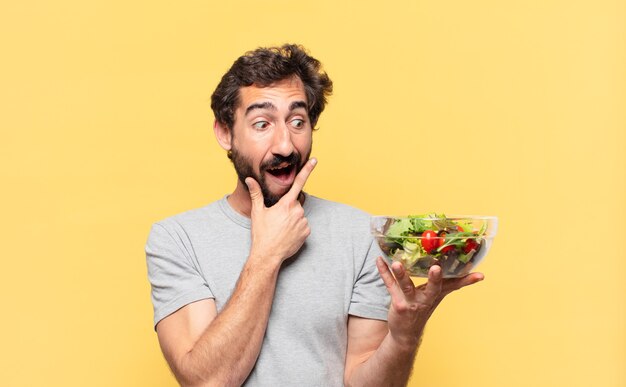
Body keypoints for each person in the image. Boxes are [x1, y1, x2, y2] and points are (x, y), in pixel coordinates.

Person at [145, 44, 483, 387]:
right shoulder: (177, 239)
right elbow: (208, 381)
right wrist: (268, 253)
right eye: (262, 123)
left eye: (297, 121)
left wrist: (404, 337)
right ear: (225, 133)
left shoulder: (360, 235)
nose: (286, 146)